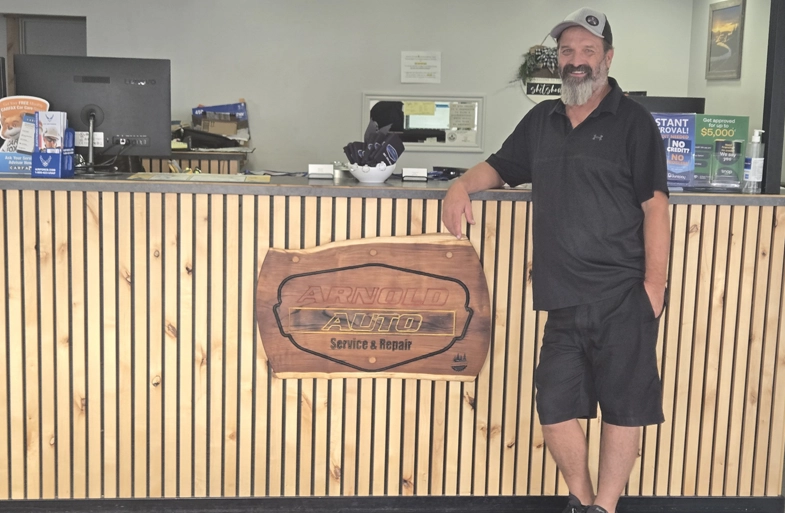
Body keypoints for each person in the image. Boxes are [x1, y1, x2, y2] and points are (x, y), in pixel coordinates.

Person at [442, 7, 670, 513]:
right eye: (568, 51)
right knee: (555, 407)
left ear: (608, 58)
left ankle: (604, 508)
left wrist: (654, 288)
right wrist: (460, 184)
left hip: (622, 295)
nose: (577, 61)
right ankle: (583, 500)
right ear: (558, 61)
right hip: (561, 299)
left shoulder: (633, 122)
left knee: (622, 409)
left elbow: (656, 206)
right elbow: (501, 167)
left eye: (588, 51)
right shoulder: (542, 120)